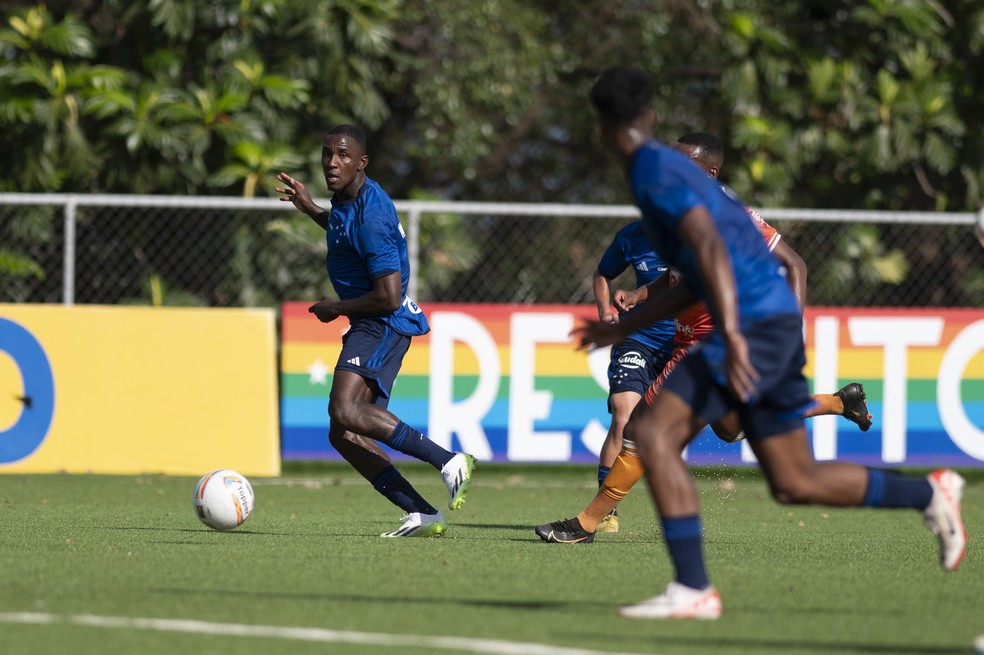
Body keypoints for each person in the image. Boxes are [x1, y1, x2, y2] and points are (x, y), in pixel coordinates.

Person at [571, 68, 966, 619]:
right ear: (652, 119)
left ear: (601, 126)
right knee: (791, 480)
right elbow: (690, 278)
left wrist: (732, 338)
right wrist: (620, 327)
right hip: (758, 325)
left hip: (749, 328)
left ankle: (688, 586)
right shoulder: (668, 175)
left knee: (653, 434)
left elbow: (710, 259)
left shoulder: (656, 176)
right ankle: (930, 493)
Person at [536, 132, 872, 544]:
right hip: (689, 337)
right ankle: (838, 402)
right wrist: (643, 294)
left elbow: (795, 265)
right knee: (731, 428)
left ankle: (586, 524)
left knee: (642, 427)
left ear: (710, 173)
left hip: (711, 342)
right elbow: (680, 277)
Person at [275, 124, 475, 538]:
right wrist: (312, 209)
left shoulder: (372, 215)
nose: (332, 162)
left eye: (343, 155)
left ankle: (450, 460)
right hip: (370, 322)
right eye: (328, 153)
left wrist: (336, 307)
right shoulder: (348, 202)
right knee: (344, 432)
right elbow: (344, 232)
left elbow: (388, 296)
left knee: (344, 411)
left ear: (361, 163)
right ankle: (422, 512)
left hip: (382, 322)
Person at [590, 221, 676, 533]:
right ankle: (604, 510)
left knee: (720, 425)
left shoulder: (696, 231)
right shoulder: (632, 237)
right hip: (637, 338)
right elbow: (602, 274)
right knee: (624, 418)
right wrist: (605, 313)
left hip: (682, 343)